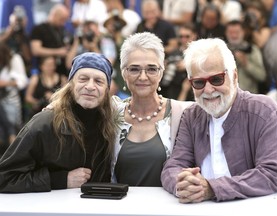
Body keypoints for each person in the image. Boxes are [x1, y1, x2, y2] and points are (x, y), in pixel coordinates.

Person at [161, 38, 277, 202]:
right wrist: (184, 183)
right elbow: (172, 167)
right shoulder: (191, 116)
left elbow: (274, 173)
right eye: (198, 82)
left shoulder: (264, 110)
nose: (208, 90)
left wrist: (213, 188)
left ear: (234, 76)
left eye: (216, 79)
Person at [0, 52, 117, 193]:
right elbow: (4, 178)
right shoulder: (44, 123)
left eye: (99, 81)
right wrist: (61, 180)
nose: (90, 86)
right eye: (83, 79)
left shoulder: (112, 123)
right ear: (71, 84)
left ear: (107, 89)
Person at [111, 32, 193, 186]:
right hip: (120, 208)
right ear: (124, 73)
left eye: (151, 69)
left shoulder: (183, 112)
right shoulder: (111, 114)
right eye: (134, 69)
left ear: (161, 73)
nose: (143, 77)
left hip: (169, 208)